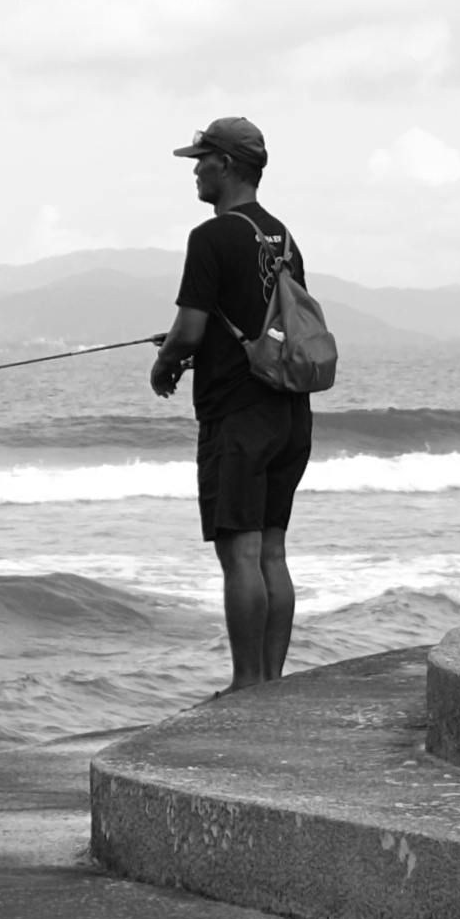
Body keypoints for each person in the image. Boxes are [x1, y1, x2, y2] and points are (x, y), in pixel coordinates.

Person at [148, 113, 310, 686]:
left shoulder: (211, 237)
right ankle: (269, 681)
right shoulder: (282, 236)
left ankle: (246, 688)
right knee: (272, 552)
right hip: (289, 413)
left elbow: (189, 331)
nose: (195, 171)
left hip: (237, 417)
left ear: (228, 166)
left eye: (201, 160)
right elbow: (272, 323)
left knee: (239, 555)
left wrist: (165, 362)